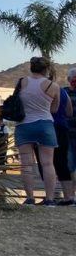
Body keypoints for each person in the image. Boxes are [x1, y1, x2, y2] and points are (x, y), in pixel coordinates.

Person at [14, 57, 60, 206]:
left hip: (24, 125)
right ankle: (50, 199)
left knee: (26, 164)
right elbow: (54, 109)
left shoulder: (21, 82)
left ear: (31, 67)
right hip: (45, 125)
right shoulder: (53, 86)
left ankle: (30, 198)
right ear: (46, 69)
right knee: (47, 163)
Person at [49, 68, 73, 203]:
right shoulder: (63, 91)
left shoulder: (43, 90)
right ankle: (69, 197)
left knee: (47, 163)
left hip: (48, 127)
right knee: (63, 162)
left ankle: (49, 197)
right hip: (63, 128)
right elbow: (69, 112)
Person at [61, 67, 76, 205]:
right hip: (67, 133)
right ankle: (71, 195)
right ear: (68, 80)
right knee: (70, 165)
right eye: (73, 79)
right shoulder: (63, 92)